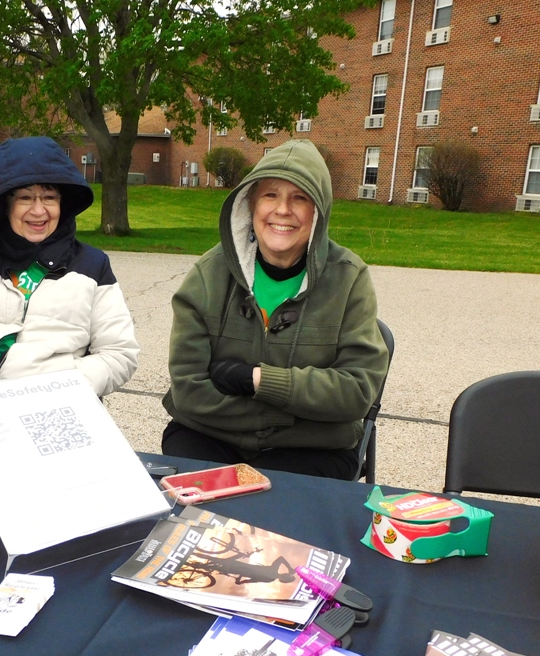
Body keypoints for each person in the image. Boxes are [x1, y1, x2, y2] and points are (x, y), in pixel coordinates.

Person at [162, 139, 388, 480]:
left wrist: (258, 380)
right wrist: (288, 415)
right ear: (250, 204)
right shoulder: (208, 275)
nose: (282, 210)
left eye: (300, 198)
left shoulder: (349, 279)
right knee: (201, 501)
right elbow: (189, 389)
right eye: (270, 195)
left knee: (278, 504)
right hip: (210, 435)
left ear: (319, 211)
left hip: (310, 449)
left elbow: (357, 390)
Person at [0, 136, 139, 396]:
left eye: (49, 197)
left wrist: (62, 386)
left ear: (62, 204)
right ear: (5, 204)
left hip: (48, 404)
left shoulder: (91, 265)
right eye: (25, 198)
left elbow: (119, 354)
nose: (38, 211)